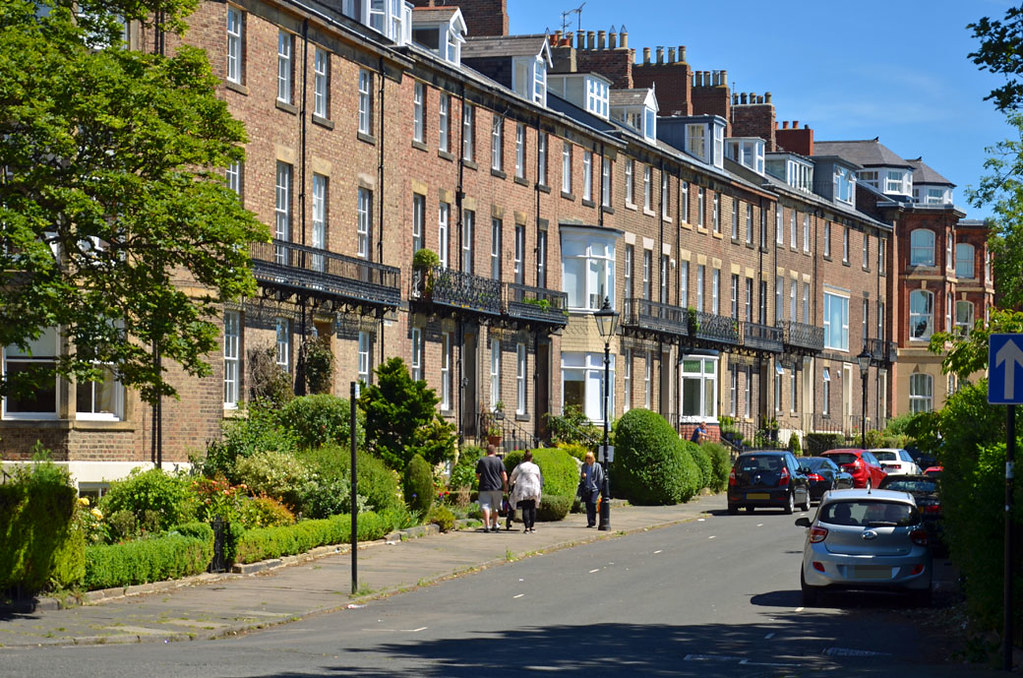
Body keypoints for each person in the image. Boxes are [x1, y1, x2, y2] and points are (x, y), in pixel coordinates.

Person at [476, 444, 507, 533]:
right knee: (495, 506)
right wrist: (505, 485)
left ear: (487, 451)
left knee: (485, 506)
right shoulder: (498, 461)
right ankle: (494, 523)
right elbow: (503, 474)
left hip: (484, 486)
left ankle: (487, 526)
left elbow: (477, 474)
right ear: (494, 452)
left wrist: (481, 480)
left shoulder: (482, 461)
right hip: (497, 487)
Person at [509, 451, 543, 533]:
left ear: (524, 458)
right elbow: (538, 477)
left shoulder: (520, 467)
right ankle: (532, 526)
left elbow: (513, 476)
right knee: (532, 507)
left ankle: (527, 528)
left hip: (523, 489)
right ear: (531, 458)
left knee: (525, 508)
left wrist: (511, 483)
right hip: (533, 488)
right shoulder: (535, 467)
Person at [579, 451, 604, 528]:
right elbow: (582, 478)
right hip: (587, 488)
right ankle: (590, 522)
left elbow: (600, 477)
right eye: (587, 458)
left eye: (589, 458)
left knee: (593, 503)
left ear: (593, 458)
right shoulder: (584, 466)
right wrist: (583, 476)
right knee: (588, 505)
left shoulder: (597, 466)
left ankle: (593, 520)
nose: (588, 459)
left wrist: (600, 488)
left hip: (594, 488)